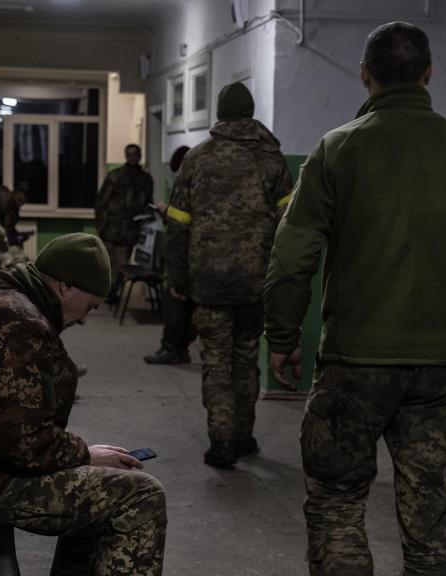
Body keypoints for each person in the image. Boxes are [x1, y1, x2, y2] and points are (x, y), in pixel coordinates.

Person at [263, 22, 446, 576]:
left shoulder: (336, 150)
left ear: (365, 74)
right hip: (440, 371)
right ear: (429, 74)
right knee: (432, 532)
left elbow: (291, 259)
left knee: (336, 506)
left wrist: (282, 339)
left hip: (354, 365)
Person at [0, 233, 167, 575]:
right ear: (64, 287)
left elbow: (18, 429)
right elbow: (24, 446)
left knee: (98, 484)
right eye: (89, 305)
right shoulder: (17, 323)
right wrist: (85, 454)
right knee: (140, 495)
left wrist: (83, 456)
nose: (86, 318)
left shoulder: (4, 300)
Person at [166, 82, 293, 468]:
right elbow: (290, 225)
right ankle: (243, 436)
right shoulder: (273, 161)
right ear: (251, 112)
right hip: (257, 281)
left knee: (216, 360)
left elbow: (177, 224)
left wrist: (177, 277)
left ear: (219, 114)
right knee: (246, 356)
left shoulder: (197, 159)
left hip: (208, 281)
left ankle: (221, 440)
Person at [144, 145, 196, 365]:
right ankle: (180, 349)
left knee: (175, 301)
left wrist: (168, 213)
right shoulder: (200, 184)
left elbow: (181, 230)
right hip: (199, 255)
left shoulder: (191, 186)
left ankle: (172, 348)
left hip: (188, 255)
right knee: (190, 306)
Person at [95, 143, 153, 302]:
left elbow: (148, 203)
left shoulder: (145, 179)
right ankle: (107, 292)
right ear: (125, 156)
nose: (133, 157)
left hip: (130, 231)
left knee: (121, 265)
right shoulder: (115, 176)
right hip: (110, 229)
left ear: (140, 155)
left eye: (135, 154)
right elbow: (101, 202)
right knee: (107, 265)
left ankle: (114, 293)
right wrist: (100, 226)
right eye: (129, 154)